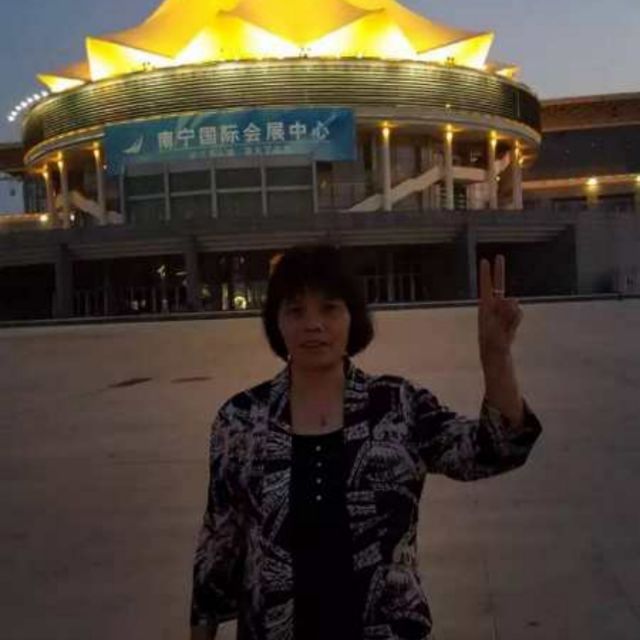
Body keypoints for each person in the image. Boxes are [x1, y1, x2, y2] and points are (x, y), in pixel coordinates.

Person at [189, 243, 542, 640]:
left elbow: (497, 448)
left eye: (329, 308)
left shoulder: (397, 405)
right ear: (276, 322)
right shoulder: (240, 420)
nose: (313, 324)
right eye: (296, 311)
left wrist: (496, 357)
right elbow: (219, 541)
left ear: (352, 317)